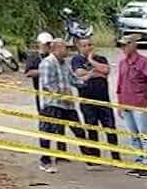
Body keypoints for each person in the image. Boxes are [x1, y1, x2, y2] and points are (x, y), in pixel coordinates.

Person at [113, 32, 147, 178]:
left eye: (125, 45)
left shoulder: (144, 61)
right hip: (126, 102)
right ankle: (138, 161)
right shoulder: (123, 63)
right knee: (133, 135)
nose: (123, 48)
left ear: (133, 45)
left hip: (140, 103)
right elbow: (120, 84)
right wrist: (119, 104)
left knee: (144, 134)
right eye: (121, 45)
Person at [70, 36, 121, 169]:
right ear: (79, 47)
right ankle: (95, 157)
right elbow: (79, 73)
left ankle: (116, 157)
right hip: (87, 100)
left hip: (103, 99)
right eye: (85, 45)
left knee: (110, 128)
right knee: (92, 128)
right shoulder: (76, 59)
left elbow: (106, 71)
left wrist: (91, 61)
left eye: (90, 45)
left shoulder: (100, 58)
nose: (88, 48)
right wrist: (94, 73)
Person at [34, 35, 80, 172]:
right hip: (52, 104)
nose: (68, 51)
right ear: (57, 48)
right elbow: (48, 84)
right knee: (48, 131)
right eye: (66, 48)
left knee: (78, 130)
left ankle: (91, 158)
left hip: (67, 104)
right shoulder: (47, 63)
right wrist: (61, 94)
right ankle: (45, 160)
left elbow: (73, 79)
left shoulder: (65, 63)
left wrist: (87, 82)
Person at [22, 31, 53, 152]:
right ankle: (46, 151)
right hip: (41, 94)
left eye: (49, 44)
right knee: (45, 122)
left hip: (56, 93)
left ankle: (61, 152)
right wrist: (43, 71)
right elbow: (28, 73)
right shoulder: (34, 58)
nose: (47, 46)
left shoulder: (55, 57)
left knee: (60, 123)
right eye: (45, 44)